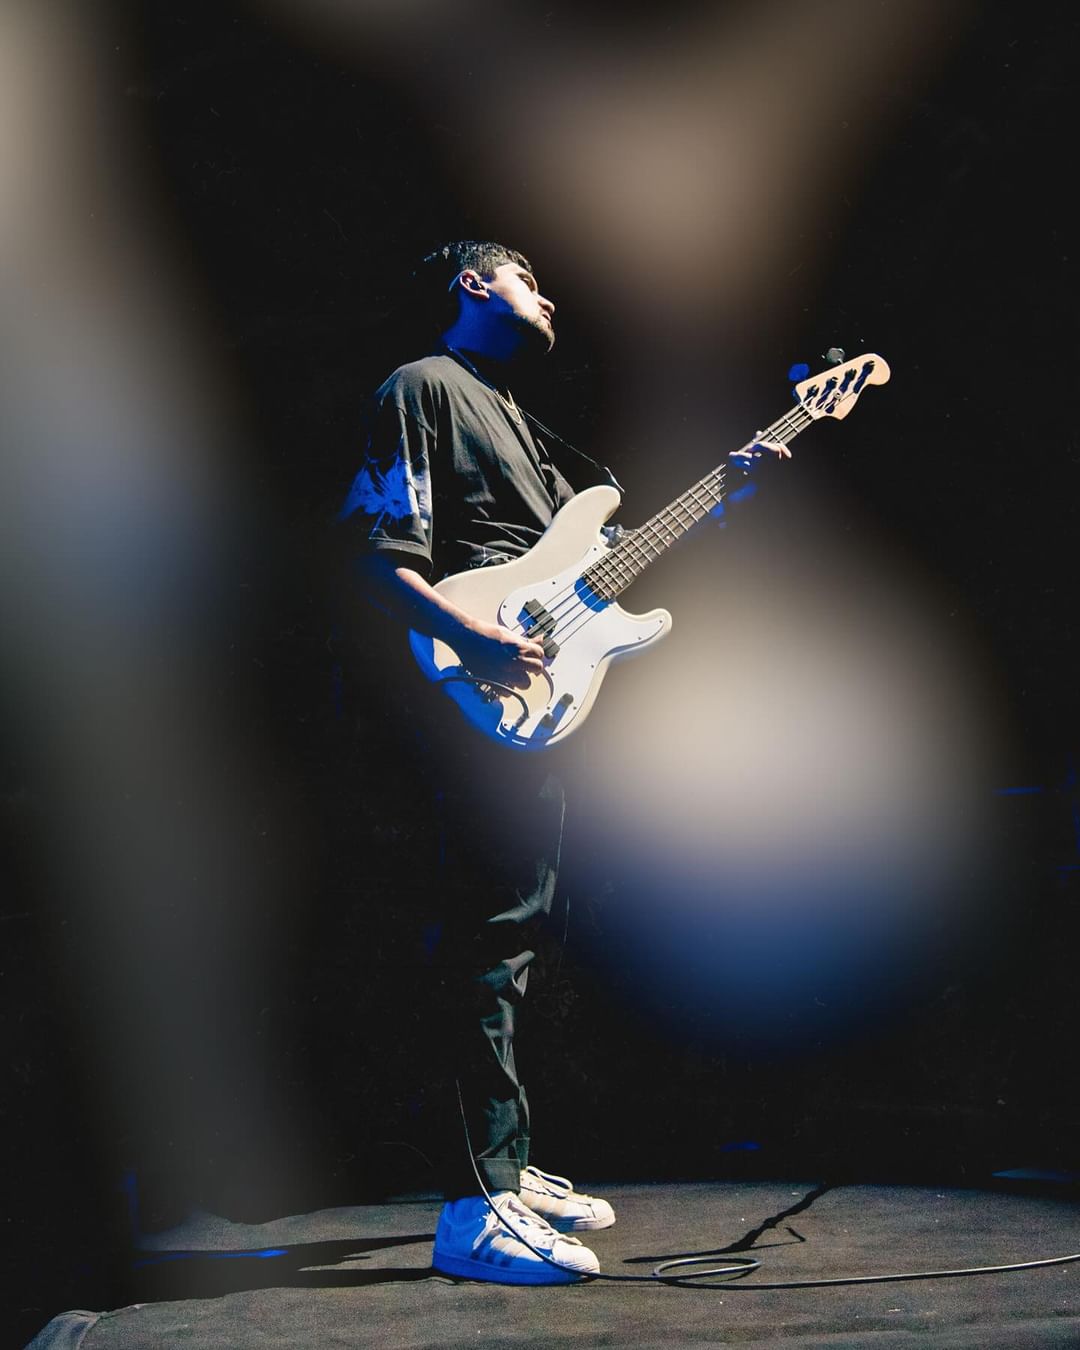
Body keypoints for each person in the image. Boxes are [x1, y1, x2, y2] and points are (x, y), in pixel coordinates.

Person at [339, 241, 615, 1284]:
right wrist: (477, 639)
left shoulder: (520, 420)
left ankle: (507, 1162)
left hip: (531, 712)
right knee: (485, 938)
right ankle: (475, 1207)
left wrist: (727, 491)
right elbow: (376, 552)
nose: (546, 296)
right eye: (524, 279)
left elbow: (578, 573)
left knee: (523, 934)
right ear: (472, 285)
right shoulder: (423, 387)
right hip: (465, 699)